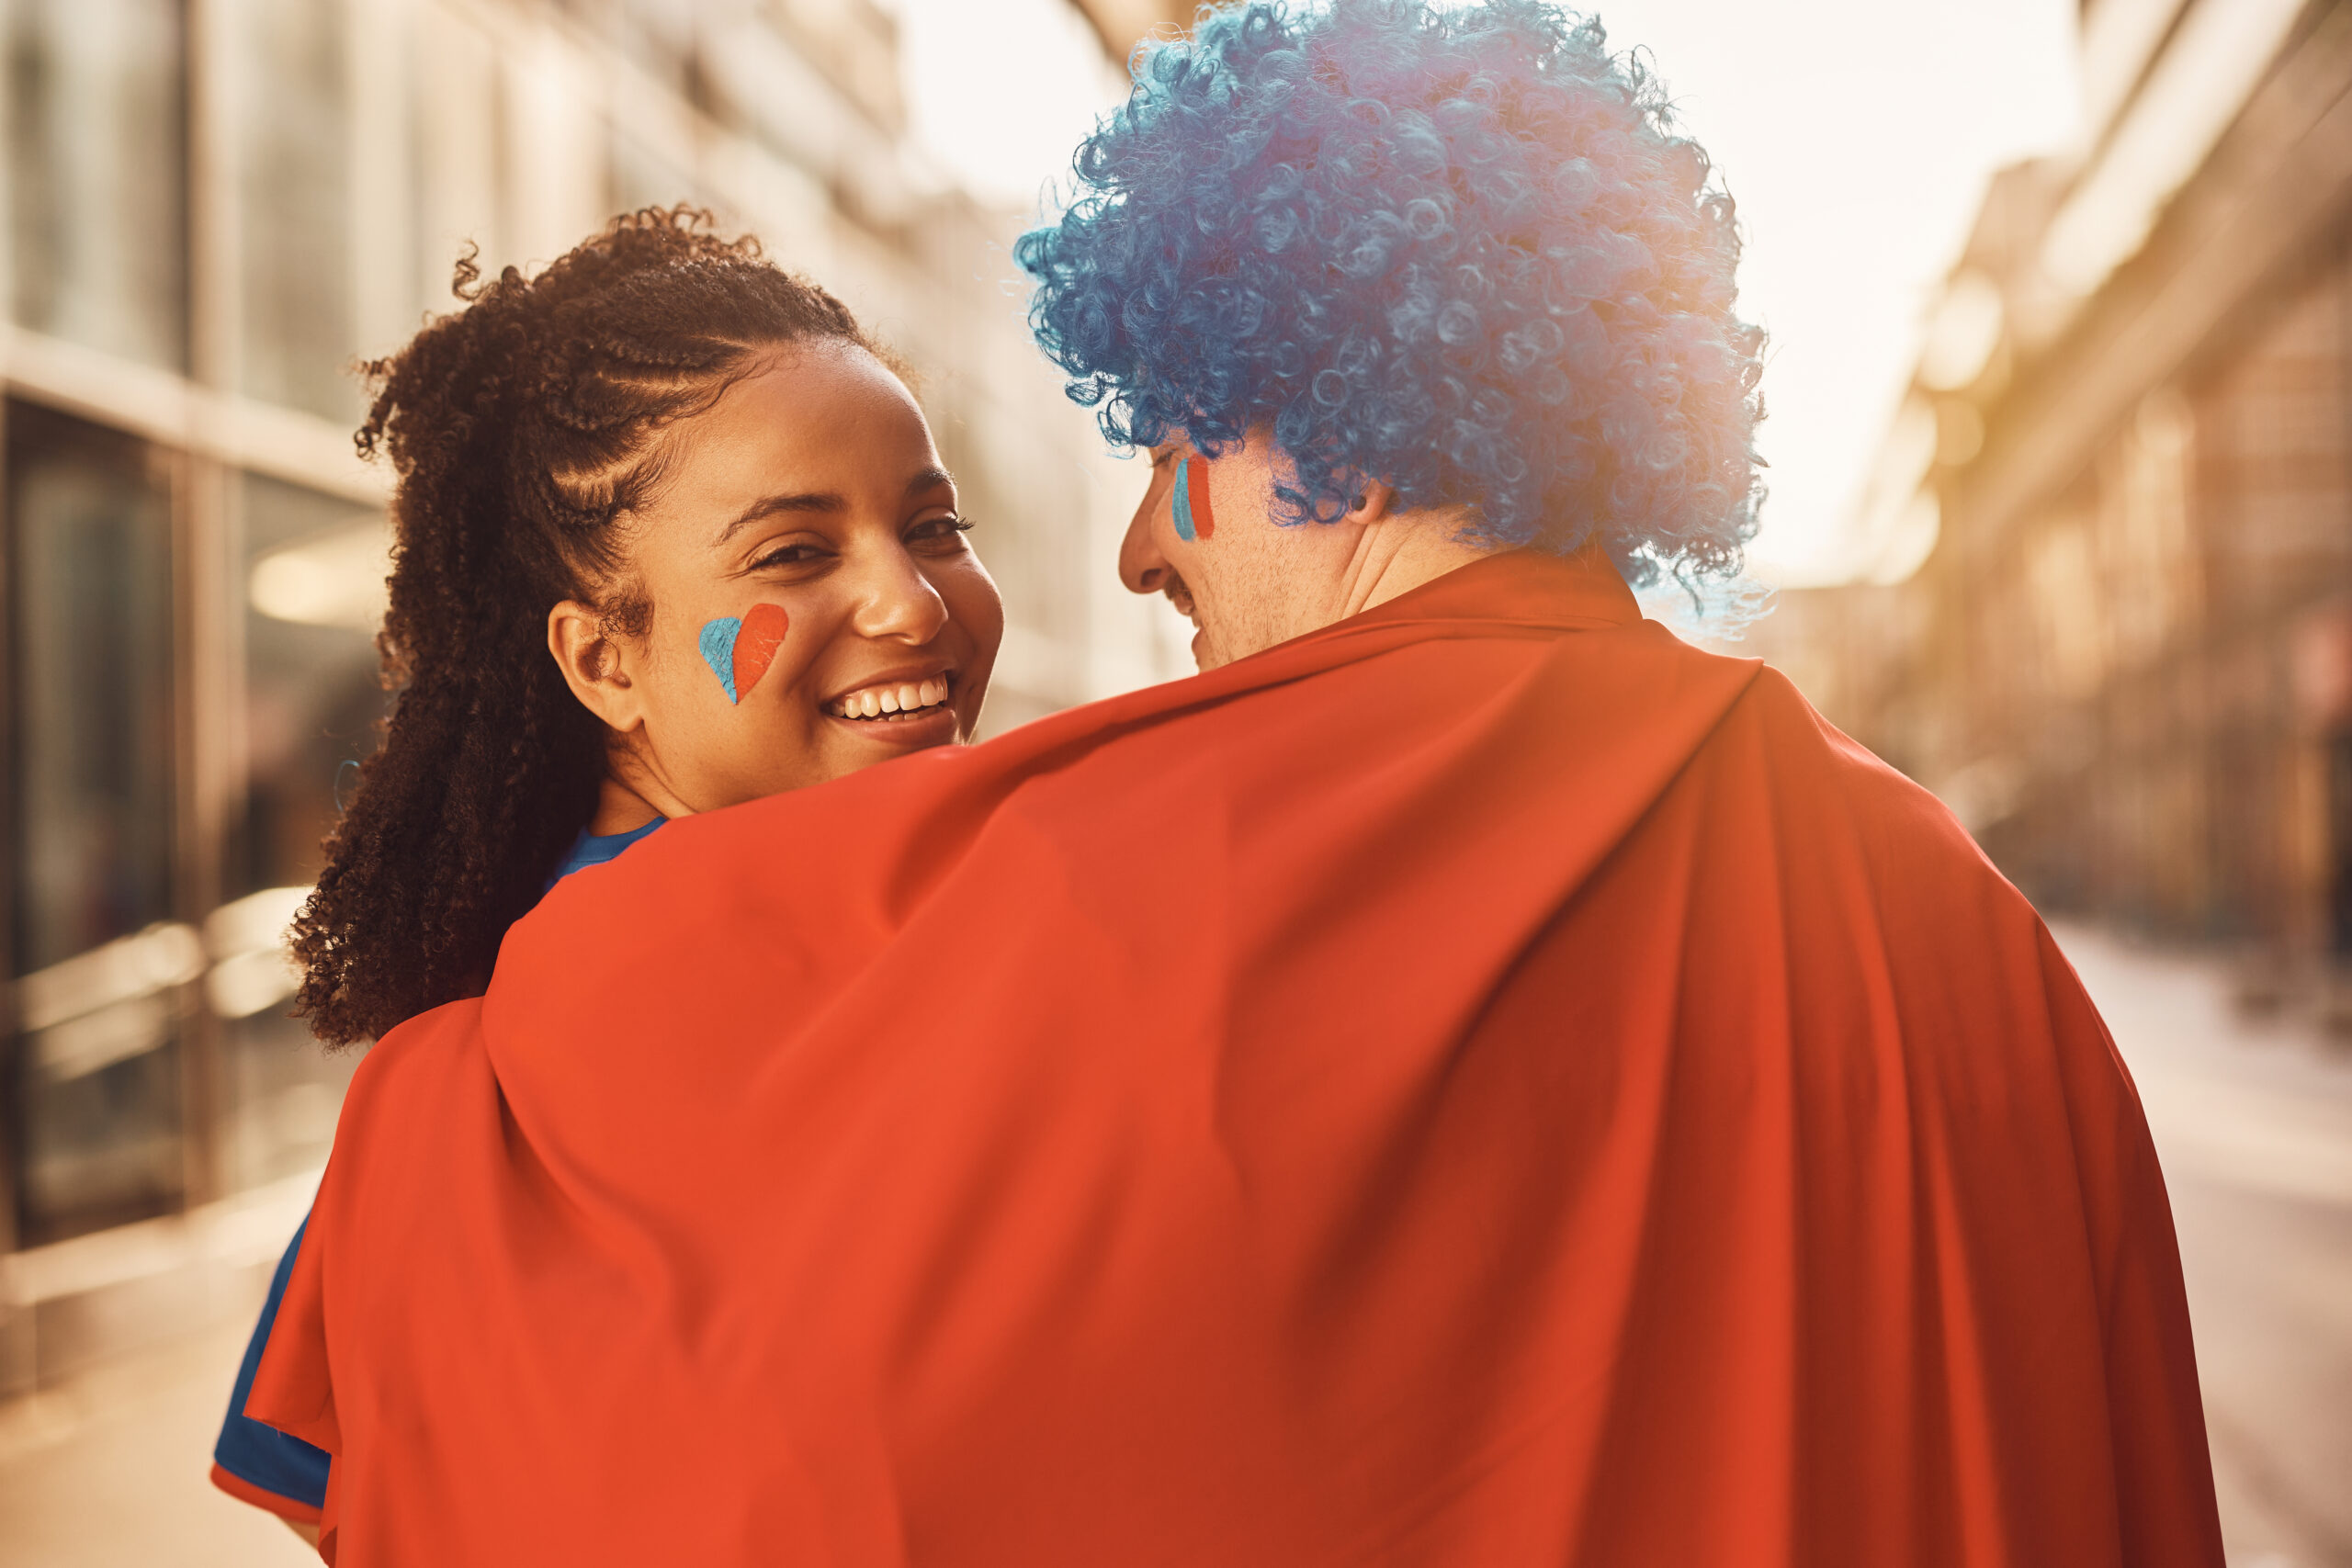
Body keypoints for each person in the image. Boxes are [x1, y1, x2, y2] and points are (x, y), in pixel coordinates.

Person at [243, 5, 2226, 1564]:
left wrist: (447, 1128)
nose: (1128, 552)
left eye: (1171, 440)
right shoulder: (1957, 909)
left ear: (1337, 451)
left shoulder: (1140, 883)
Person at [208, 207, 1003, 1545]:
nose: (916, 603)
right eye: (795, 553)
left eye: (934, 524)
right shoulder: (792, 985)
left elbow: (339, 1493)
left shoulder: (457, 1059)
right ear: (602, 661)